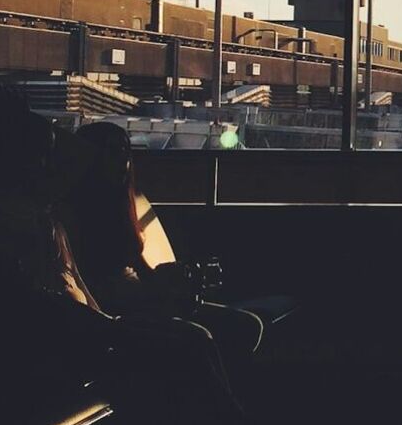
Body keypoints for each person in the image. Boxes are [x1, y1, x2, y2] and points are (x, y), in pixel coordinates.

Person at [65, 121, 265, 365]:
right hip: (125, 309)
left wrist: (169, 287)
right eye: (112, 151)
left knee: (243, 327)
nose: (122, 160)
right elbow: (94, 291)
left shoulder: (117, 209)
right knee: (240, 328)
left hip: (137, 301)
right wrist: (163, 293)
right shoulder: (73, 216)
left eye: (124, 151)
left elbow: (142, 274)